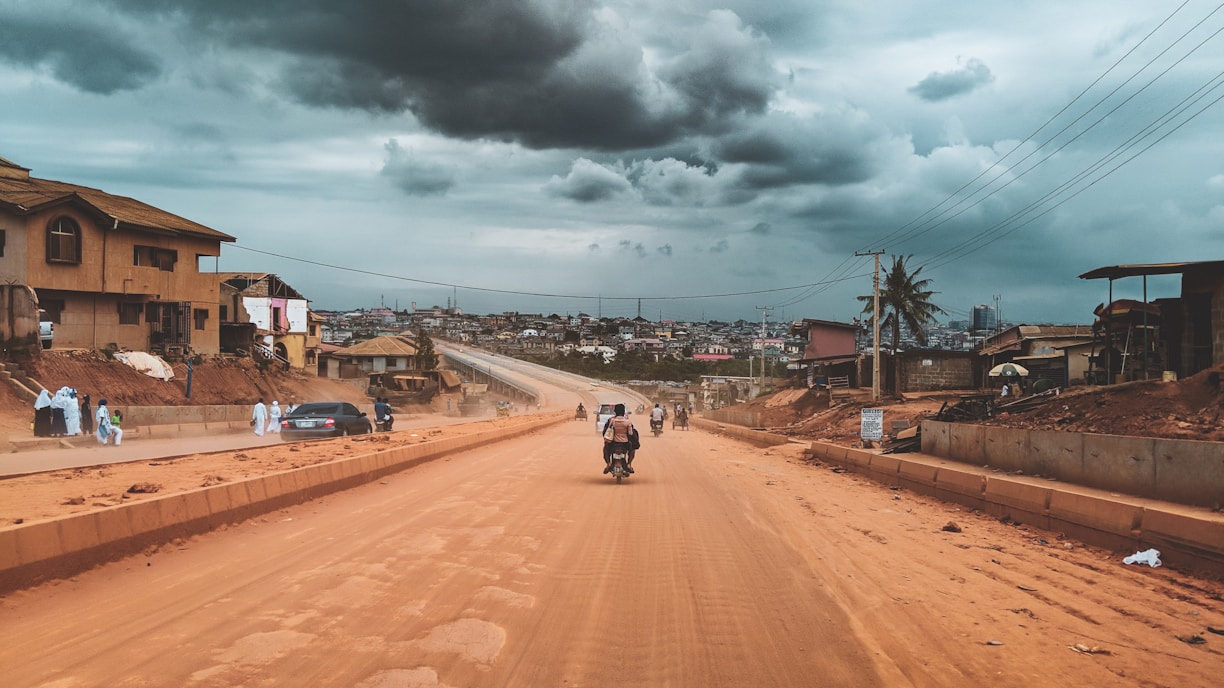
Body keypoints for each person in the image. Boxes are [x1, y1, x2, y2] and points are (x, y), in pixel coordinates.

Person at [602, 403, 637, 473]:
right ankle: (629, 464)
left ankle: (608, 464)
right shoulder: (628, 421)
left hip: (613, 443)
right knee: (632, 449)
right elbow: (631, 433)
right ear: (624, 412)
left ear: (615, 411)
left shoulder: (611, 420)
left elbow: (606, 431)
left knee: (605, 449)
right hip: (625, 444)